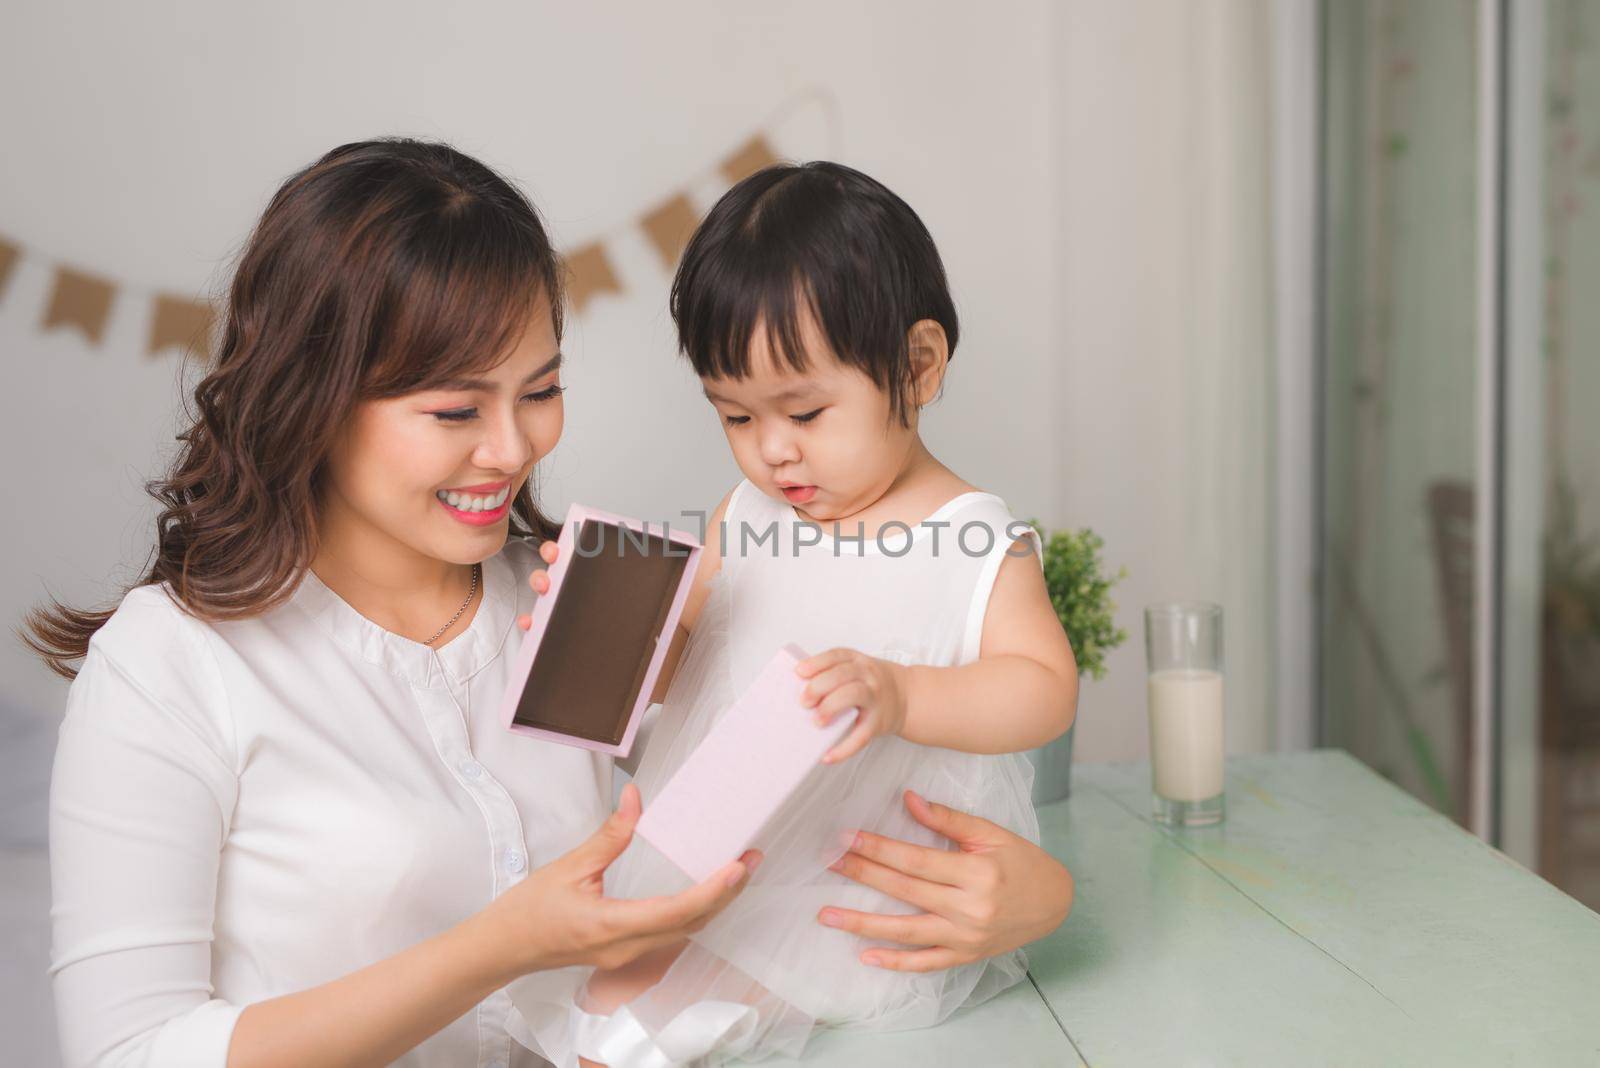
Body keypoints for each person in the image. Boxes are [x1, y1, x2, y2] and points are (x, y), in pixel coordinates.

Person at [29, 141, 1074, 1068]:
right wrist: (499, 949)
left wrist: (1035, 901)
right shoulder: (169, 665)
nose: (514, 449)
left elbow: (742, 802)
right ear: (313, 397)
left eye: (539, 389)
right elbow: (130, 1052)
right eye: (453, 408)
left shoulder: (577, 590)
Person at [508, 161, 1078, 1067]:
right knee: (592, 984)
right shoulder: (753, 509)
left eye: (806, 411)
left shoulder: (972, 537)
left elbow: (1044, 689)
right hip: (715, 846)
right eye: (735, 416)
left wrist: (902, 695)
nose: (773, 451)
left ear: (919, 366)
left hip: (850, 882)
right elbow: (700, 648)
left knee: (658, 1021)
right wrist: (617, 633)